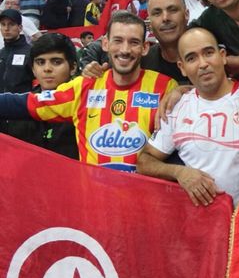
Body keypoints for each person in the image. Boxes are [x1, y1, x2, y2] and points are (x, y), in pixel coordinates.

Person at [0, 11, 177, 171]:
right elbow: (27, 104)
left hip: (143, 195)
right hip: (94, 195)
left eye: (134, 42)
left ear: (145, 48)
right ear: (105, 44)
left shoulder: (166, 87)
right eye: (117, 40)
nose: (124, 50)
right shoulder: (84, 87)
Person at [137, 27, 239, 206]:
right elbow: (144, 161)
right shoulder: (176, 108)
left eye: (208, 53)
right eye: (192, 58)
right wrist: (179, 173)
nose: (203, 64)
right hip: (198, 220)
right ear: (182, 68)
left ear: (222, 56)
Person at [4, 34, 79, 158]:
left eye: (56, 62)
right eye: (40, 62)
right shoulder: (17, 107)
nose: (47, 69)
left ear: (73, 67)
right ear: (33, 69)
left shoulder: (86, 104)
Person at [0, 10, 33, 94]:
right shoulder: (1, 53)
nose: (6, 29)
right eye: (3, 24)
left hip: (21, 100)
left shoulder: (30, 52)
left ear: (20, 28)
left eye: (11, 24)